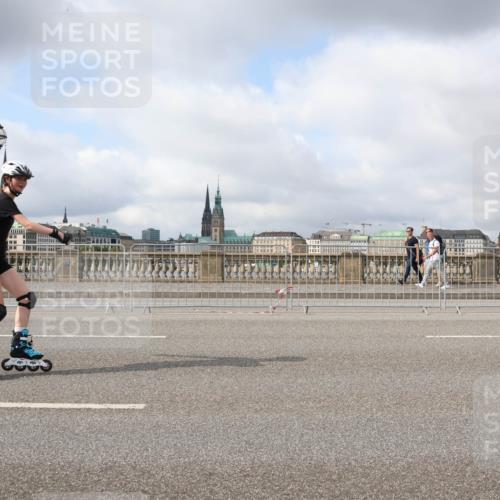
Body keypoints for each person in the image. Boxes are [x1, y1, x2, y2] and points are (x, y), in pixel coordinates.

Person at [0, 161, 70, 361]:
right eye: (19, 178)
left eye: (25, 179)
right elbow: (28, 226)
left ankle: (20, 346)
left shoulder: (7, 201)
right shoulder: (3, 200)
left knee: (25, 298)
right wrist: (57, 233)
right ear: (7, 179)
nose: (23, 182)